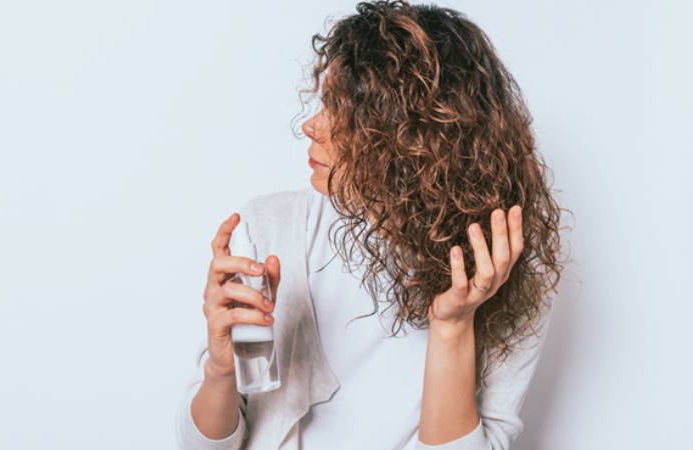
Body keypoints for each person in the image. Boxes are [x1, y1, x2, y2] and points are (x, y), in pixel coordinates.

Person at [176, 1, 565, 449]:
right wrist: (220, 369)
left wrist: (453, 325)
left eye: (342, 112)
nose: (310, 126)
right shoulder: (270, 226)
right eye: (323, 103)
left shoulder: (504, 273)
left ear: (411, 135)